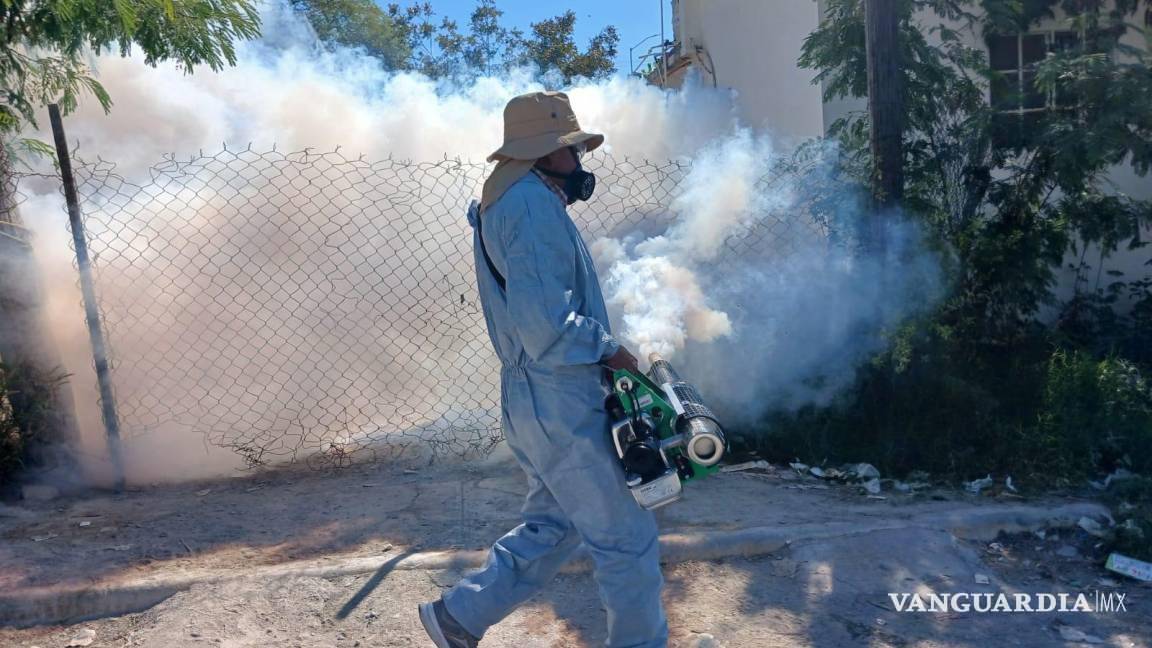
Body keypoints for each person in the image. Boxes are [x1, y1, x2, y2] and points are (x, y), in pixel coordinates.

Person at [417, 91, 668, 648]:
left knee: (555, 525)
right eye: (570, 151)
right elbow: (546, 324)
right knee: (626, 539)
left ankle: (460, 616)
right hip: (560, 397)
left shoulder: (507, 199)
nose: (579, 162)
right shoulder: (529, 206)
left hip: (533, 397)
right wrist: (609, 349)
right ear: (544, 154)